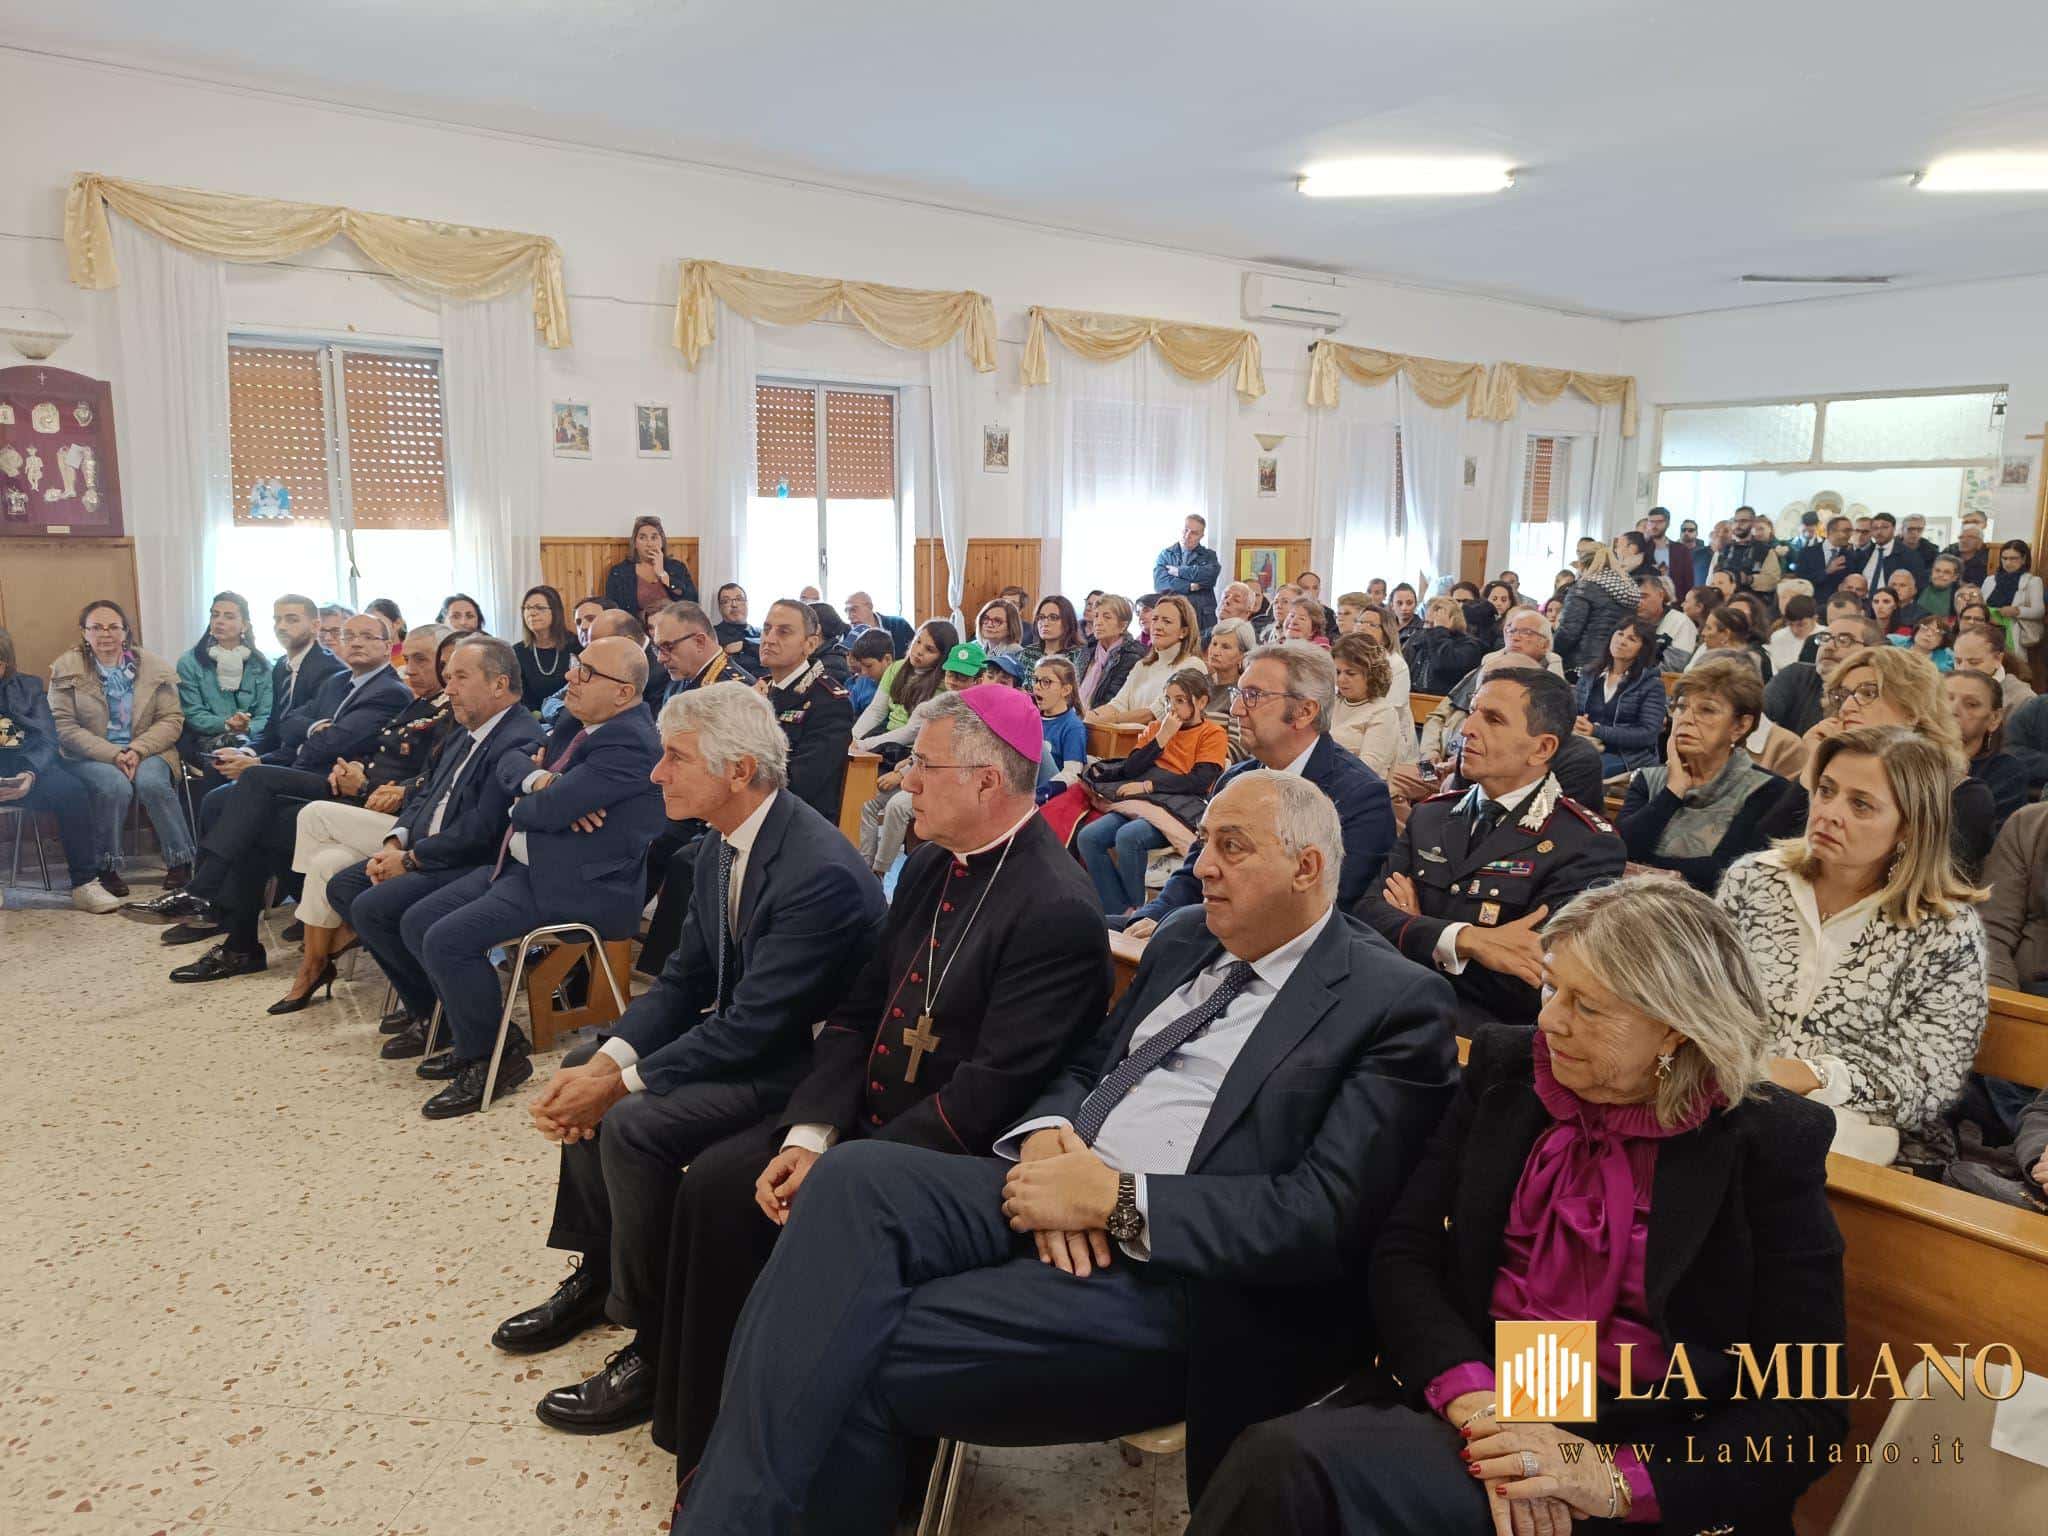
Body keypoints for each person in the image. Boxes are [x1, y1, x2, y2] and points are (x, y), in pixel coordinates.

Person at [677, 772, 1460, 1531]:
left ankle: (726, 1517)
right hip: (1055, 1178)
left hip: (1180, 1273)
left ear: (1307, 868)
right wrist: (1049, 1136)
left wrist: (1115, 1202)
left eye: (1232, 846)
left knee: (852, 1340)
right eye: (1204, 843)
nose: (1201, 866)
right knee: (851, 1178)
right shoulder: (1186, 937)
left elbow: (1322, 1214)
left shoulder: (1390, 1002)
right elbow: (1087, 1064)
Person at [1191, 879, 1845, 1536]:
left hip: (1649, 1454)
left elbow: (1808, 1411)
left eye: (1588, 1006)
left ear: (1676, 1028)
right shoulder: (1512, 1070)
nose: (1552, 1019)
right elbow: (1406, 1250)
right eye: (1552, 988)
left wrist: (1609, 1480)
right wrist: (1485, 1412)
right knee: (1285, 1460)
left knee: (1294, 1472)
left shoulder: (1766, 1142)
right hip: (1485, 1395)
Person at [646, 685, 1112, 1489]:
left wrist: (843, 1170)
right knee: (716, 1187)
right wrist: (811, 1136)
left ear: (986, 781)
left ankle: (819, 1472)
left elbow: (991, 1094)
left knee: (766, 1208)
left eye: (924, 766)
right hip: (859, 1126)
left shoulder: (1057, 906)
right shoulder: (931, 862)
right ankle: (705, 1442)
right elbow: (859, 1013)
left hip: (946, 1160)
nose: (905, 781)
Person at [500, 686, 887, 1432]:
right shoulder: (721, 841)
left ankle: (654, 1342)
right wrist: (606, 1064)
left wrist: (620, 1085)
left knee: (634, 1122)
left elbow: (756, 1029)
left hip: (806, 1068)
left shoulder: (817, 870)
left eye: (675, 758)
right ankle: (602, 1273)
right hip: (757, 1037)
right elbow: (682, 982)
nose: (656, 774)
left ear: (738, 770)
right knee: (587, 1060)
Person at [401, 636, 667, 1116]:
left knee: (446, 940)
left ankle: (490, 1060)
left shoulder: (631, 743)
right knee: (417, 920)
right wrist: (537, 781)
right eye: (576, 665)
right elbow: (510, 761)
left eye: (586, 672)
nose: (570, 676)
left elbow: (535, 811)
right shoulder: (577, 720)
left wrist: (533, 801)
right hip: (525, 867)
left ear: (623, 693)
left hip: (577, 885)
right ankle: (489, 1037)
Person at [1719, 726, 1988, 1169]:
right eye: (1826, 791)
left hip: (1865, 1128)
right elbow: (1703, 997)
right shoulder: (1755, 879)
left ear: (1909, 827)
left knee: (1776, 1139)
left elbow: (1929, 1078)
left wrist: (1812, 1075)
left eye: (1860, 804)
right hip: (1731, 1093)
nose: (1829, 813)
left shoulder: (1945, 929)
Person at [136, 612, 415, 977]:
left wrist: (314, 736)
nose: (357, 642)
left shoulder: (390, 691)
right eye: (350, 636)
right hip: (308, 777)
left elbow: (332, 744)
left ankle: (209, 900)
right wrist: (314, 729)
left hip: (342, 789)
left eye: (368, 636)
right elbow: (288, 723)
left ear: (388, 644)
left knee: (255, 795)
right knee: (220, 801)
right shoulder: (337, 682)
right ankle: (225, 925)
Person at [1354, 668, 1626, 1031]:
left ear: (1542, 748)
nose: (1467, 728)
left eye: (1494, 719)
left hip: (1478, 1037)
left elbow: (1530, 982)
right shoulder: (1431, 815)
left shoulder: (1587, 844)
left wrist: (1418, 928)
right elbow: (1365, 918)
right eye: (1472, 712)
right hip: (1384, 1007)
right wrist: (1468, 940)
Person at [325, 637, 545, 1050]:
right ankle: (429, 1005)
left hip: (472, 861)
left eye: (460, 677)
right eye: (448, 678)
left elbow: (483, 830)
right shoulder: (465, 730)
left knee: (374, 907)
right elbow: (426, 794)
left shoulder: (517, 737)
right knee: (344, 886)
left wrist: (411, 860)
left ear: (499, 684)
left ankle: (439, 1014)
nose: (449, 689)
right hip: (429, 848)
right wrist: (395, 842)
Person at [1115, 643, 1394, 936]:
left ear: (1304, 711)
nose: (1236, 709)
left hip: (1275, 946)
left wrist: (1180, 927)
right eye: (1237, 694)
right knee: (1097, 932)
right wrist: (1154, 916)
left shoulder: (1360, 797)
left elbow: (1323, 911)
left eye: (1253, 696)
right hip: (1208, 924)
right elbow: (1194, 873)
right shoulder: (1235, 780)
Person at [268, 624, 461, 1012]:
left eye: (423, 660)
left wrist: (365, 784)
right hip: (380, 809)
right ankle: (313, 966)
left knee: (313, 814)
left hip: (410, 822)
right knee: (326, 863)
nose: (410, 669)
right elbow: (385, 753)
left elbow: (435, 779)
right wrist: (357, 769)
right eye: (408, 659)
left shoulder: (451, 712)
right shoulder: (417, 704)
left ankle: (339, 931)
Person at [1806, 642, 1998, 878]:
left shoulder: (1963, 796)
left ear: (1912, 712)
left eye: (1868, 693)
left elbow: (1931, 883)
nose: (1846, 708)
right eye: (1843, 696)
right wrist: (1814, 766)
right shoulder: (1827, 765)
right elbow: (1777, 848)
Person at [1618, 659, 1807, 892]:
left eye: (1706, 710)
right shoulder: (1648, 779)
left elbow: (1724, 871)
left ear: (1740, 726)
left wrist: (1644, 867)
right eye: (1681, 707)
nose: (1686, 719)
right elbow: (1619, 850)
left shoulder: (1767, 790)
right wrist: (1673, 791)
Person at [49, 599, 194, 892]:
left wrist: (136, 750)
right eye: (96, 627)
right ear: (84, 632)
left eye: (113, 627)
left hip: (148, 749)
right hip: (89, 755)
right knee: (114, 786)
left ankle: (180, 861)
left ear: (126, 631)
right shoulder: (66, 668)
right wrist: (114, 753)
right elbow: (64, 727)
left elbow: (171, 719)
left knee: (153, 782)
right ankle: (107, 866)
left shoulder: (154, 666)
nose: (105, 634)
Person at [1075, 668, 1228, 913]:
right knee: (1088, 837)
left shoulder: (1213, 733)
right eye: (1168, 700)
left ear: (1201, 702)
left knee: (1129, 837)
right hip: (1144, 801)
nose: (1171, 708)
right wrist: (1162, 738)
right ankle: (1120, 911)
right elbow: (1131, 768)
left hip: (1180, 805)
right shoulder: (1157, 727)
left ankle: (1140, 909)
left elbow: (1199, 781)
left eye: (1180, 700)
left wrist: (1150, 785)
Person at [0, 626, 121, 912]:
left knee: (71, 790)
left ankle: (85, 883)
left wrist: (29, 773)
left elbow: (46, 737)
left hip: (27, 768)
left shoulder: (28, 688)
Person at [752, 598, 854, 822]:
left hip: (795, 820)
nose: (769, 639)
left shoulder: (829, 702)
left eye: (784, 632)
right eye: (767, 629)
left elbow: (800, 782)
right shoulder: (760, 692)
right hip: (752, 807)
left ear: (810, 644)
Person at [176, 591, 273, 792]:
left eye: (229, 616)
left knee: (253, 754)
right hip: (204, 739)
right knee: (229, 756)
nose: (219, 621)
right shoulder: (189, 662)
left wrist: (247, 728)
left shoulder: (262, 665)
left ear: (244, 625)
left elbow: (268, 715)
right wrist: (227, 724)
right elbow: (193, 714)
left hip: (253, 737)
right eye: (215, 615)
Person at [1948, 666, 2048, 839]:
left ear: (1994, 719)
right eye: (1944, 699)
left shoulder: (2006, 773)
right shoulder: (1910, 758)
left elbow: (1994, 843)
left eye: (1971, 704)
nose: (1953, 710)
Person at [248, 594, 347, 760]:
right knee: (218, 762)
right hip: (277, 756)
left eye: (291, 620)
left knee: (244, 774)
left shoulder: (331, 669)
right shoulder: (281, 665)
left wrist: (258, 762)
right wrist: (246, 751)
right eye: (277, 620)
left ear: (315, 626)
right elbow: (274, 726)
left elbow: (312, 738)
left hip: (306, 760)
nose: (281, 627)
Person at [1086, 594, 1205, 725]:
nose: (1157, 626)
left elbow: (1157, 713)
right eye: (1155, 619)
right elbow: (1118, 704)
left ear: (1184, 631)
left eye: (1166, 621)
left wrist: (1112, 719)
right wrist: (1090, 717)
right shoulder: (1142, 665)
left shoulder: (1193, 666)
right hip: (1127, 735)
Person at [1570, 617, 1667, 775]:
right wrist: (1577, 723)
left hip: (1628, 757)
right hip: (1587, 745)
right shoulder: (1590, 674)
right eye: (1620, 634)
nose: (1621, 641)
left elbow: (1648, 734)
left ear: (1643, 648)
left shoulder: (1651, 684)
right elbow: (1576, 712)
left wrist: (1597, 731)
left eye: (1632, 639)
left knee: (1582, 770)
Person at [1550, 543, 1639, 676]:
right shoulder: (1628, 591)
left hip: (1581, 666)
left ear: (1581, 566)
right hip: (1615, 666)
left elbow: (1569, 633)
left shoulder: (1583, 589)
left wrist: (1548, 651)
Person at [1328, 633, 1405, 780]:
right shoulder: (1333, 702)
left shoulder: (1383, 712)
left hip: (1355, 786)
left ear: (1371, 675)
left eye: (1351, 673)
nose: (1341, 679)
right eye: (1337, 672)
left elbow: (1368, 769)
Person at [606, 514, 698, 616]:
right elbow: (613, 612)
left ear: (662, 542)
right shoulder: (619, 572)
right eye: (642, 538)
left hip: (673, 624)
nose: (649, 544)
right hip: (635, 625)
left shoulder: (677, 567)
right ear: (635, 543)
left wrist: (663, 574)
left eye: (654, 537)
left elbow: (692, 602)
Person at [514, 585, 582, 712]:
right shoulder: (517, 651)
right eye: (527, 608)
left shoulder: (576, 645)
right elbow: (520, 697)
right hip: (532, 718)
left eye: (540, 608)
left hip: (570, 714)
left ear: (555, 612)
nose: (532, 613)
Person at [1076, 594, 1145, 713]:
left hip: (1102, 719)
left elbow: (1112, 701)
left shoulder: (1131, 656)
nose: (1098, 622)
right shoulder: (1088, 647)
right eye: (1096, 616)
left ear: (1123, 625)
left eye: (1107, 617)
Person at [1152, 513, 1222, 630]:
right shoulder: (1166, 555)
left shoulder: (1209, 555)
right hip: (1172, 614)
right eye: (1186, 530)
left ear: (1201, 536)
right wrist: (1190, 586)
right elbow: (1161, 584)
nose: (1188, 535)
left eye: (1194, 533)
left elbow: (1210, 577)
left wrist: (1179, 571)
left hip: (1202, 617)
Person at [1029, 655, 1087, 796]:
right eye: (1035, 680)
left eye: (1046, 682)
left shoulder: (1073, 727)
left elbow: (1072, 773)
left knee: (1039, 746)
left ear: (1065, 690)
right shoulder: (1030, 716)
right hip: (1026, 784)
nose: (1036, 686)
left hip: (1047, 792)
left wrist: (1042, 793)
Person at [1402, 596, 1483, 695]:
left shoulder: (1470, 646)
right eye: (1427, 622)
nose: (1429, 629)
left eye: (1435, 624)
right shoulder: (1417, 638)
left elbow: (1443, 665)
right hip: (1414, 697)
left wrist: (1440, 630)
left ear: (1453, 621)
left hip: (1444, 701)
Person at [1201, 616, 1255, 761]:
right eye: (1214, 644)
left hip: (1213, 766)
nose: (1215, 651)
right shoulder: (1196, 683)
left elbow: (1237, 749)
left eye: (1225, 647)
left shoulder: (1243, 693)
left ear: (1242, 656)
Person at [1953, 618, 2035, 711]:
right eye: (1958, 662)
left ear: (1998, 659)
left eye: (1974, 662)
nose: (1963, 669)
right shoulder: (1946, 690)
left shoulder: (2021, 699)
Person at [1638, 505, 1695, 597]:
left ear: (1667, 523)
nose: (1654, 526)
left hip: (1675, 599)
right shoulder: (1641, 548)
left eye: (1659, 522)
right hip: (1646, 598)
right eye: (1651, 522)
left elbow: (1688, 581)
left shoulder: (1681, 550)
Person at [1019, 595, 1084, 670]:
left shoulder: (1079, 655)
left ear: (1068, 622)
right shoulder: (1028, 653)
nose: (1045, 623)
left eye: (1053, 618)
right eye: (1041, 617)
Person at [841, 591, 913, 660]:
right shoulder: (846, 636)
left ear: (870, 607)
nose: (849, 616)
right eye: (846, 611)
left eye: (853, 610)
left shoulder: (899, 625)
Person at [1767, 592, 1822, 671]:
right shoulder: (1777, 637)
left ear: (1814, 619)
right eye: (1791, 624)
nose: (1795, 630)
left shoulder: (1825, 636)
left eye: (1801, 625)